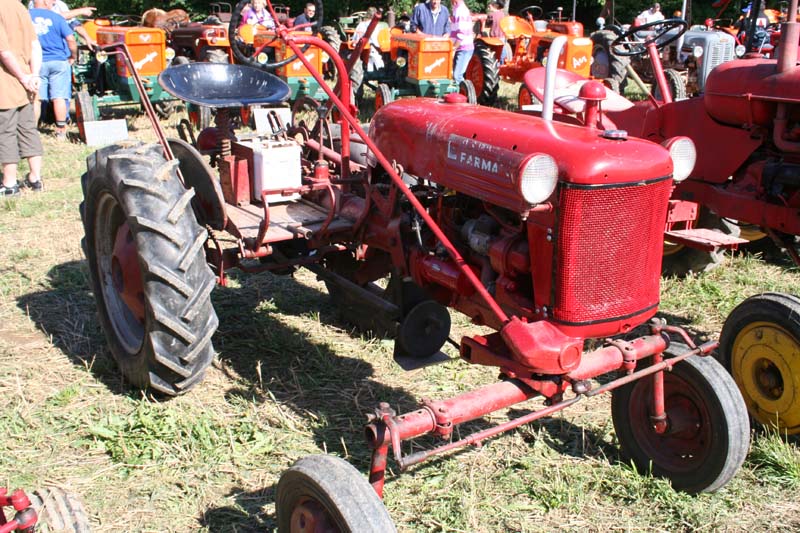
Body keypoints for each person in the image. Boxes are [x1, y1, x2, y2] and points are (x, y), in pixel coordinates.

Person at [0, 0, 44, 195]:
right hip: (26, 79)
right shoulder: (20, 7)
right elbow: (35, 45)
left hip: (7, 80)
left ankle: (9, 183)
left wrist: (23, 77)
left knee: (5, 131)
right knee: (28, 129)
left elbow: (3, 52)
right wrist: (34, 75)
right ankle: (35, 178)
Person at [30, 0, 77, 140]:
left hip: (36, 62)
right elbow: (71, 40)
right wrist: (73, 55)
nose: (53, 3)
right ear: (44, 2)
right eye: (51, 1)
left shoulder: (25, 17)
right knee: (59, 97)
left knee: (36, 99)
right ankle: (61, 130)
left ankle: (32, 132)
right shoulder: (57, 17)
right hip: (58, 61)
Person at [28, 0, 97, 49]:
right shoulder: (35, 2)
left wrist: (88, 39)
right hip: (40, 50)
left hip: (59, 51)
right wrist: (80, 11)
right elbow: (54, 17)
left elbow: (74, 24)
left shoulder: (60, 4)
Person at [351, 7, 385, 72]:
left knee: (373, 56)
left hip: (363, 47)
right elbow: (377, 40)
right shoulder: (376, 26)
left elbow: (355, 38)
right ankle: (378, 71)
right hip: (370, 47)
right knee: (374, 56)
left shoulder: (361, 24)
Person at [449, 0, 473, 83]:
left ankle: (463, 95)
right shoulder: (457, 9)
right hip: (461, 48)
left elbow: (461, 33)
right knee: (453, 75)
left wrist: (454, 47)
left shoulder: (461, 11)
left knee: (457, 76)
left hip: (464, 48)